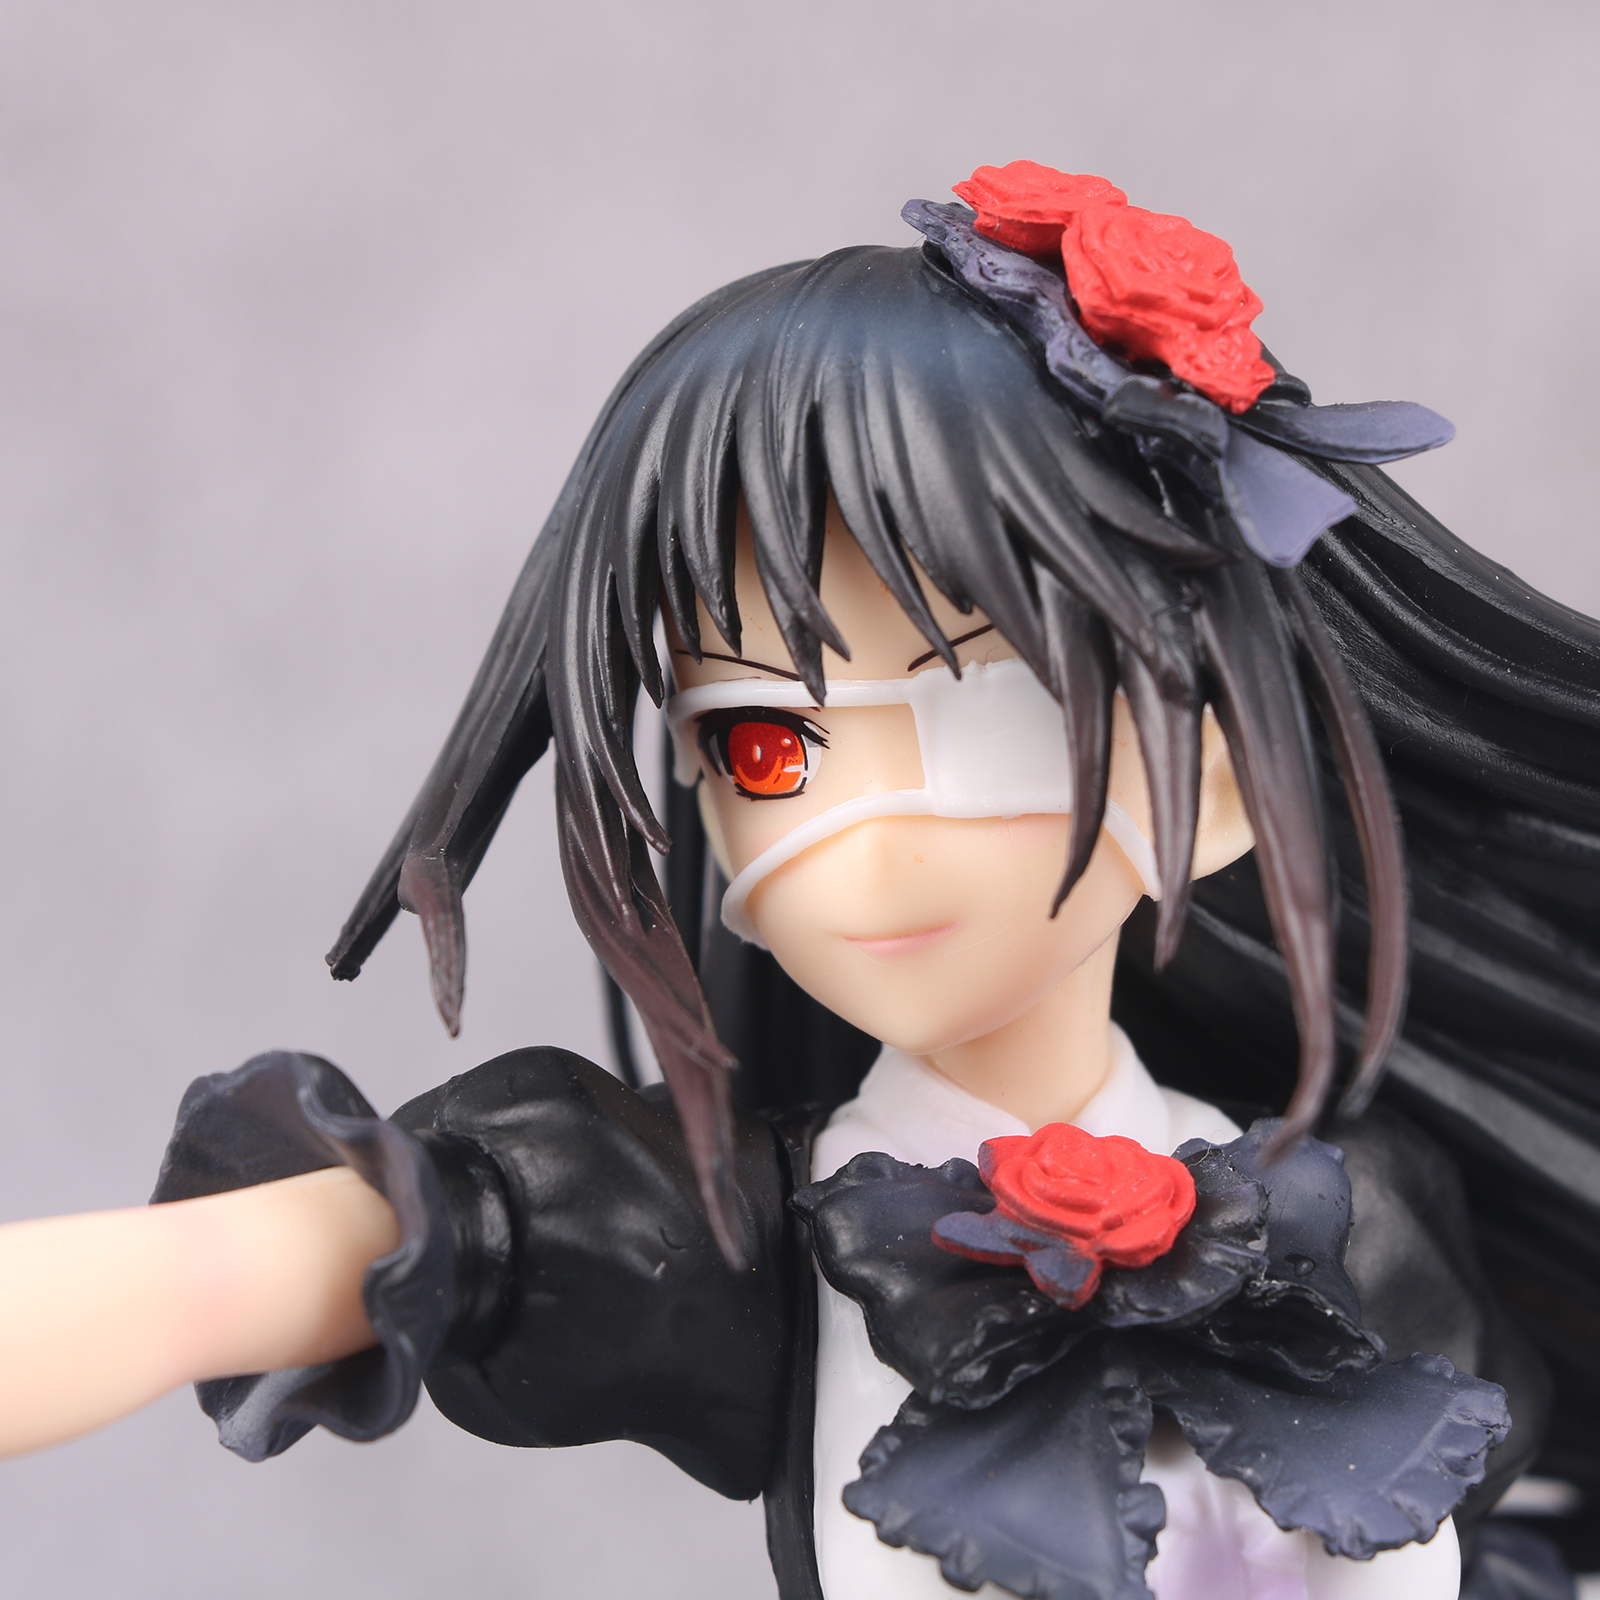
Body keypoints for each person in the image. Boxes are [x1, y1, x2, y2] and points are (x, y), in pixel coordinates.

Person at [0, 163, 1593, 1600]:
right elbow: (278, 1264)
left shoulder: (1361, 1215)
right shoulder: (769, 1242)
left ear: (1222, 780)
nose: (864, 836)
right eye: (767, 749)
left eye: (987, 711)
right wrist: (203, 1282)